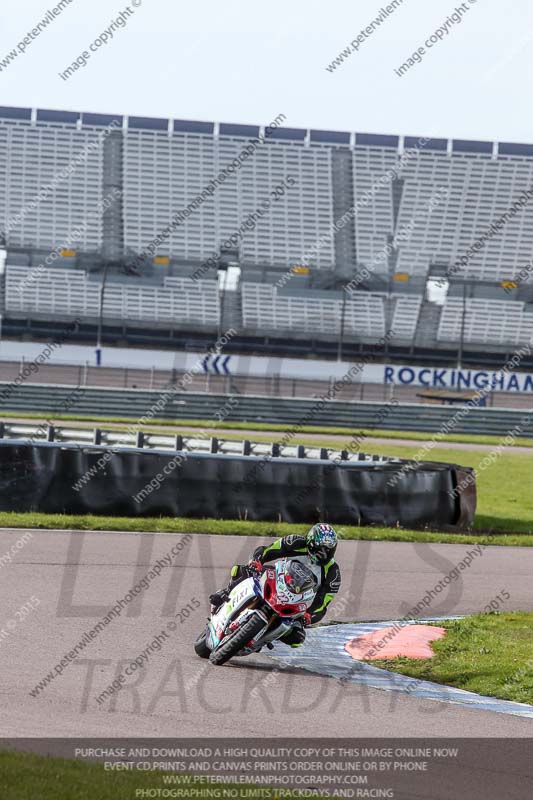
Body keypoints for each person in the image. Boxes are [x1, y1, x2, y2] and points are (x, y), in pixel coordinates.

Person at [209, 523, 341, 647]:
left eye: (327, 551)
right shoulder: (295, 542)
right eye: (319, 549)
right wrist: (256, 561)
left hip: (295, 601)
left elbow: (322, 605)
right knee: (241, 571)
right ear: (310, 543)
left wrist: (309, 616)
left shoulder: (333, 573)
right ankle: (225, 593)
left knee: (298, 638)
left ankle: (264, 638)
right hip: (277, 578)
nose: (322, 554)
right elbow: (266, 551)